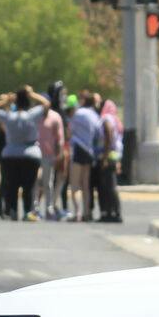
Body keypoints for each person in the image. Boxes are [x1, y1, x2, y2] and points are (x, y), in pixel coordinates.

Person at [0, 86, 46, 221]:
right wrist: (32, 94)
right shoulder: (32, 115)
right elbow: (46, 104)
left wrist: (7, 101)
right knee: (29, 186)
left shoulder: (10, 116)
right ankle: (28, 211)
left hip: (10, 155)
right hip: (31, 154)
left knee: (12, 186)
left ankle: (13, 210)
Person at [66, 89, 102, 222]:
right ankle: (87, 212)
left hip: (78, 149)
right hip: (89, 151)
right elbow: (98, 134)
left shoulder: (78, 113)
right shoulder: (95, 115)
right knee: (86, 184)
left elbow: (70, 132)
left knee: (75, 184)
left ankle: (77, 213)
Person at [35, 92, 66, 221]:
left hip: (49, 155)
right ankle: (34, 207)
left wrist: (59, 155)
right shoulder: (35, 115)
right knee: (35, 182)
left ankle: (49, 207)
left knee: (48, 183)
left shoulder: (55, 117)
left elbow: (59, 138)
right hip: (35, 154)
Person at [93, 94, 123, 223]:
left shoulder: (106, 119)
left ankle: (112, 213)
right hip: (114, 156)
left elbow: (108, 134)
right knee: (110, 185)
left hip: (107, 156)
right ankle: (112, 212)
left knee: (107, 186)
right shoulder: (115, 119)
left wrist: (104, 157)